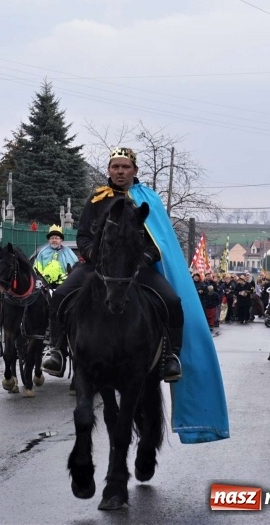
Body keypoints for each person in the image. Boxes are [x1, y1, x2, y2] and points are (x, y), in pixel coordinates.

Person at [42, 147, 184, 382]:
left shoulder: (147, 200)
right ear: (109, 169)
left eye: (125, 167)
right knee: (61, 294)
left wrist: (143, 260)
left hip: (137, 270)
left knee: (172, 301)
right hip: (97, 268)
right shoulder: (97, 198)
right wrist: (94, 256)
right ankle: (56, 350)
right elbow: (84, 236)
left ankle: (171, 356)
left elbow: (160, 241)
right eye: (115, 167)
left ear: (135, 170)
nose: (120, 171)